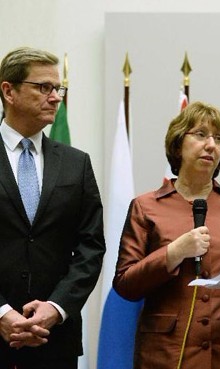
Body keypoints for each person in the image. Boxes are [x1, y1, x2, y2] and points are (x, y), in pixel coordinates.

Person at [113, 101, 220, 369]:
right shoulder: (146, 206)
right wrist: (173, 253)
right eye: (200, 135)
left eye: (219, 138)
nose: (211, 144)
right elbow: (125, 284)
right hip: (167, 354)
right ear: (178, 145)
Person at [0, 47, 105, 368]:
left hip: (55, 340)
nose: (56, 97)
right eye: (44, 87)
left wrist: (57, 308)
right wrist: (2, 313)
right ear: (9, 91)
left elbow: (91, 247)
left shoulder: (76, 163)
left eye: (57, 89)